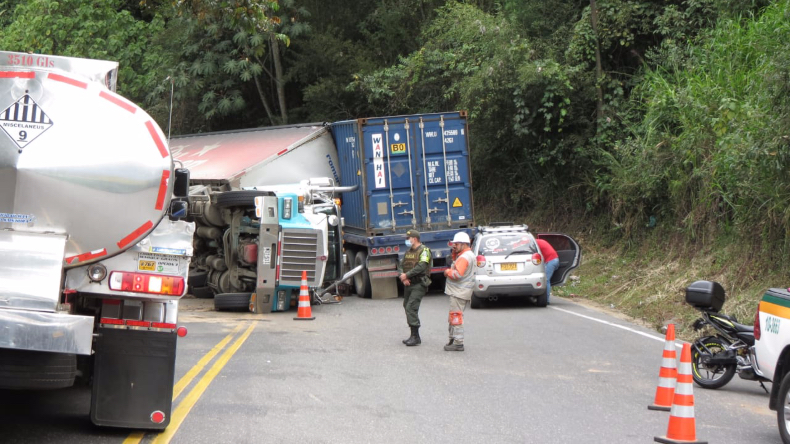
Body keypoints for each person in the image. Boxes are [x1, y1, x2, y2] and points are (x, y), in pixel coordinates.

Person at [443, 231, 476, 351]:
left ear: (464, 244)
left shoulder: (464, 257)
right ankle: (453, 339)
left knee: (455, 317)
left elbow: (457, 274)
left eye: (456, 244)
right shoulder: (468, 255)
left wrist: (447, 272)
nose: (454, 246)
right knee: (453, 316)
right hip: (461, 291)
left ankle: (458, 342)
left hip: (459, 292)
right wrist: (454, 257)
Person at [398, 229, 431, 346]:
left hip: (419, 283)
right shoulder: (408, 252)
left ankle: (415, 336)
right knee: (406, 305)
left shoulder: (425, 251)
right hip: (409, 284)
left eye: (408, 238)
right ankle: (413, 334)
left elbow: (421, 267)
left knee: (411, 307)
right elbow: (400, 265)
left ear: (414, 239)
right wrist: (403, 277)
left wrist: (407, 275)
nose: (407, 240)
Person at [536, 238, 559, 305]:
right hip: (553, 259)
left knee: (546, 280)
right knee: (546, 279)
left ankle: (546, 299)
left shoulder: (536, 244)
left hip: (551, 261)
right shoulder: (540, 241)